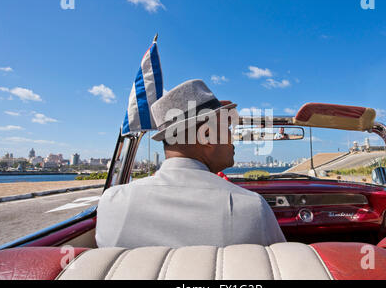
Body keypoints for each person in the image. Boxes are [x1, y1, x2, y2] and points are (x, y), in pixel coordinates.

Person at [95, 79, 286, 248]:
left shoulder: (112, 202)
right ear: (208, 136)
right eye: (227, 128)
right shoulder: (252, 208)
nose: (232, 137)